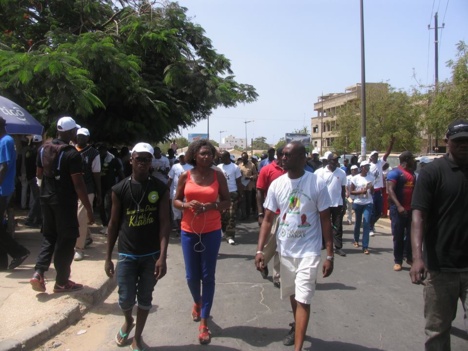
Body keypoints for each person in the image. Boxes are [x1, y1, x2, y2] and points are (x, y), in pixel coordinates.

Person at [255, 141, 333, 351]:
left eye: (288, 155)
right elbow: (268, 219)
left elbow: (326, 219)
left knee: (304, 300)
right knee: (294, 296)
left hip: (309, 252)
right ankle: (296, 327)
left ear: (302, 158)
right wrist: (260, 250)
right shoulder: (277, 184)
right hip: (285, 251)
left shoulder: (316, 183)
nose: (282, 158)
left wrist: (330, 255)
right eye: (282, 155)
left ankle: (298, 348)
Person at [105, 142, 170, 351]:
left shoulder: (160, 188)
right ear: (131, 159)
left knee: (145, 298)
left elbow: (164, 223)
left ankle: (138, 336)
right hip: (126, 253)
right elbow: (113, 224)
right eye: (139, 158)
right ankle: (128, 320)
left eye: (147, 159)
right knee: (125, 299)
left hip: (151, 254)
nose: (143, 163)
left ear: (151, 162)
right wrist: (107, 257)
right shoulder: (119, 189)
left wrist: (163, 256)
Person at [410, 119, 468, 351]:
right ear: (447, 142)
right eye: (458, 141)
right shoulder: (433, 172)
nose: (464, 145)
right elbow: (418, 216)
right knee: (437, 331)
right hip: (440, 267)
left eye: (467, 141)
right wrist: (417, 257)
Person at [173, 140, 230, 345]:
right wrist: (187, 204)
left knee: (208, 277)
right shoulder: (185, 176)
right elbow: (176, 201)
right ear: (194, 155)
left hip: (211, 231)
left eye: (209, 154)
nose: (206, 157)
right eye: (202, 153)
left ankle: (204, 322)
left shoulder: (218, 175)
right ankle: (197, 302)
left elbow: (227, 201)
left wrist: (211, 207)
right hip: (189, 232)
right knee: (191, 276)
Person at [30, 116, 94, 292]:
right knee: (67, 239)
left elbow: (39, 175)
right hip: (64, 202)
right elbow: (78, 184)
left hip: (46, 198)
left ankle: (38, 272)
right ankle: (61, 281)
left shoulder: (43, 149)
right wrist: (89, 209)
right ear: (72, 132)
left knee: (49, 236)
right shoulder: (72, 154)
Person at [0, 117, 30, 270]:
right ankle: (2, 262)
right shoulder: (5, 140)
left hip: (2, 190)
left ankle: (19, 252)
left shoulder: (5, 141)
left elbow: (3, 167)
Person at [256, 147, 286, 287]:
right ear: (280, 156)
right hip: (272, 213)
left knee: (281, 244)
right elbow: (259, 192)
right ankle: (262, 260)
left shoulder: (291, 170)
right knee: (273, 243)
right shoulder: (267, 169)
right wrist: (261, 213)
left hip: (288, 213)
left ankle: (277, 276)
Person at [74, 128, 101, 261]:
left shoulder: (93, 153)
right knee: (78, 217)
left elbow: (96, 174)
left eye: (83, 137)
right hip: (72, 188)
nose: (80, 139)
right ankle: (88, 237)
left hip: (87, 189)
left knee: (80, 217)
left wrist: (99, 193)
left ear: (88, 139)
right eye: (79, 136)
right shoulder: (70, 149)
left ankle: (79, 248)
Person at [386, 151, 415, 272]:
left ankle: (408, 257)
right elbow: (390, 191)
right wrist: (398, 206)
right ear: (407, 159)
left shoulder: (413, 174)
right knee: (398, 235)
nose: (414, 161)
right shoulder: (395, 173)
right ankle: (398, 261)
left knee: (411, 235)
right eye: (412, 159)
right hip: (398, 209)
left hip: (411, 210)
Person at [314, 152, 347, 256]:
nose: (336, 162)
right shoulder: (320, 173)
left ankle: (338, 247)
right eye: (334, 160)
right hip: (324, 204)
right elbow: (316, 189)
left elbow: (343, 189)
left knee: (338, 226)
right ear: (329, 161)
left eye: (337, 160)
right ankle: (323, 243)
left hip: (337, 203)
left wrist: (344, 203)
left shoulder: (341, 173)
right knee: (324, 224)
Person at [368, 136, 395, 236]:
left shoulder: (380, 163)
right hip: (372, 191)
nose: (376, 156)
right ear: (371, 157)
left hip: (379, 191)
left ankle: (371, 224)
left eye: (377, 155)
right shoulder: (368, 166)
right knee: (372, 210)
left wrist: (391, 144)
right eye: (374, 155)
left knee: (379, 212)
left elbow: (387, 154)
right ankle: (370, 227)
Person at [97, 143, 124, 235]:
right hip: (99, 186)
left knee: (107, 206)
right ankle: (104, 224)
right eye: (99, 150)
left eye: (102, 150)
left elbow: (120, 171)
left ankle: (109, 226)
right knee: (100, 206)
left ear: (105, 150)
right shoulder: (97, 159)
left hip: (110, 186)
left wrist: (124, 183)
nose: (101, 152)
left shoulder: (113, 159)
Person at [217, 151, 243, 245]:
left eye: (222, 157)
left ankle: (230, 236)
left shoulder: (235, 167)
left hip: (232, 193)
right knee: (222, 215)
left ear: (227, 157)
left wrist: (240, 194)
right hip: (220, 194)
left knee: (231, 215)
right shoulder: (219, 167)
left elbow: (239, 182)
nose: (221, 159)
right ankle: (223, 232)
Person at [350, 160, 375, 254]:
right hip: (358, 202)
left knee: (366, 223)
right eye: (366, 167)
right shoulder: (355, 178)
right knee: (358, 222)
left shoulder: (371, 177)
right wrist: (361, 192)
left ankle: (365, 246)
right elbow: (351, 191)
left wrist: (371, 188)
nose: (367, 168)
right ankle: (356, 240)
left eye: (368, 166)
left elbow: (373, 192)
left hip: (368, 202)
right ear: (362, 168)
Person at [167, 152, 193, 233]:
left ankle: (187, 227)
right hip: (175, 193)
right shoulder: (175, 166)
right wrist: (166, 189)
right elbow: (170, 178)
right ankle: (179, 228)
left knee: (186, 211)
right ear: (178, 158)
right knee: (176, 212)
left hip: (187, 193)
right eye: (180, 157)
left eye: (183, 157)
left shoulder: (191, 167)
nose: (182, 158)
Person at [24, 135, 43, 227]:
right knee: (38, 199)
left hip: (30, 177)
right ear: (40, 142)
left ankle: (39, 219)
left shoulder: (29, 152)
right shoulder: (39, 152)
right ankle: (30, 219)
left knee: (38, 199)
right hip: (35, 178)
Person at [238, 151, 257, 219]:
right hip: (242, 186)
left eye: (245, 158)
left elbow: (255, 174)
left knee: (248, 201)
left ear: (247, 158)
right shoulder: (239, 165)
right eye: (243, 158)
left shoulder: (252, 165)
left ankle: (248, 214)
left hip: (249, 186)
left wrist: (250, 177)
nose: (244, 159)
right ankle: (243, 215)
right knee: (243, 201)